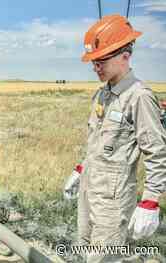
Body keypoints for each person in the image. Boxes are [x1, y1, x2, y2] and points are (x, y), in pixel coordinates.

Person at [63, 14, 166, 262]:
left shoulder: (138, 97)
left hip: (113, 201)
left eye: (101, 61)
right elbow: (97, 142)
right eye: (93, 63)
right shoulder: (102, 95)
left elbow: (157, 153)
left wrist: (150, 202)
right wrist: (80, 170)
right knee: (85, 251)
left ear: (125, 56)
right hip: (90, 191)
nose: (96, 68)